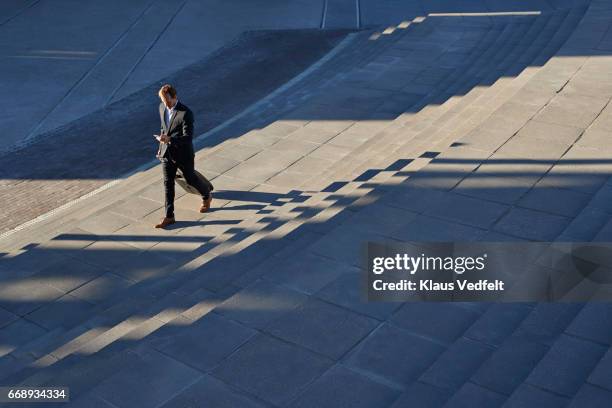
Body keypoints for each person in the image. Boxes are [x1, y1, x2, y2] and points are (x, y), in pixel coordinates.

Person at [154, 84, 212, 229]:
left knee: (190, 179)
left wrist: (170, 140)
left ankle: (206, 195)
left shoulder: (186, 113)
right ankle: (169, 216)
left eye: (167, 101)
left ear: (175, 98)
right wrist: (161, 148)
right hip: (167, 154)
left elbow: (188, 138)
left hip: (183, 154)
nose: (165, 104)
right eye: (162, 100)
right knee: (168, 184)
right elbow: (163, 128)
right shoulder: (162, 108)